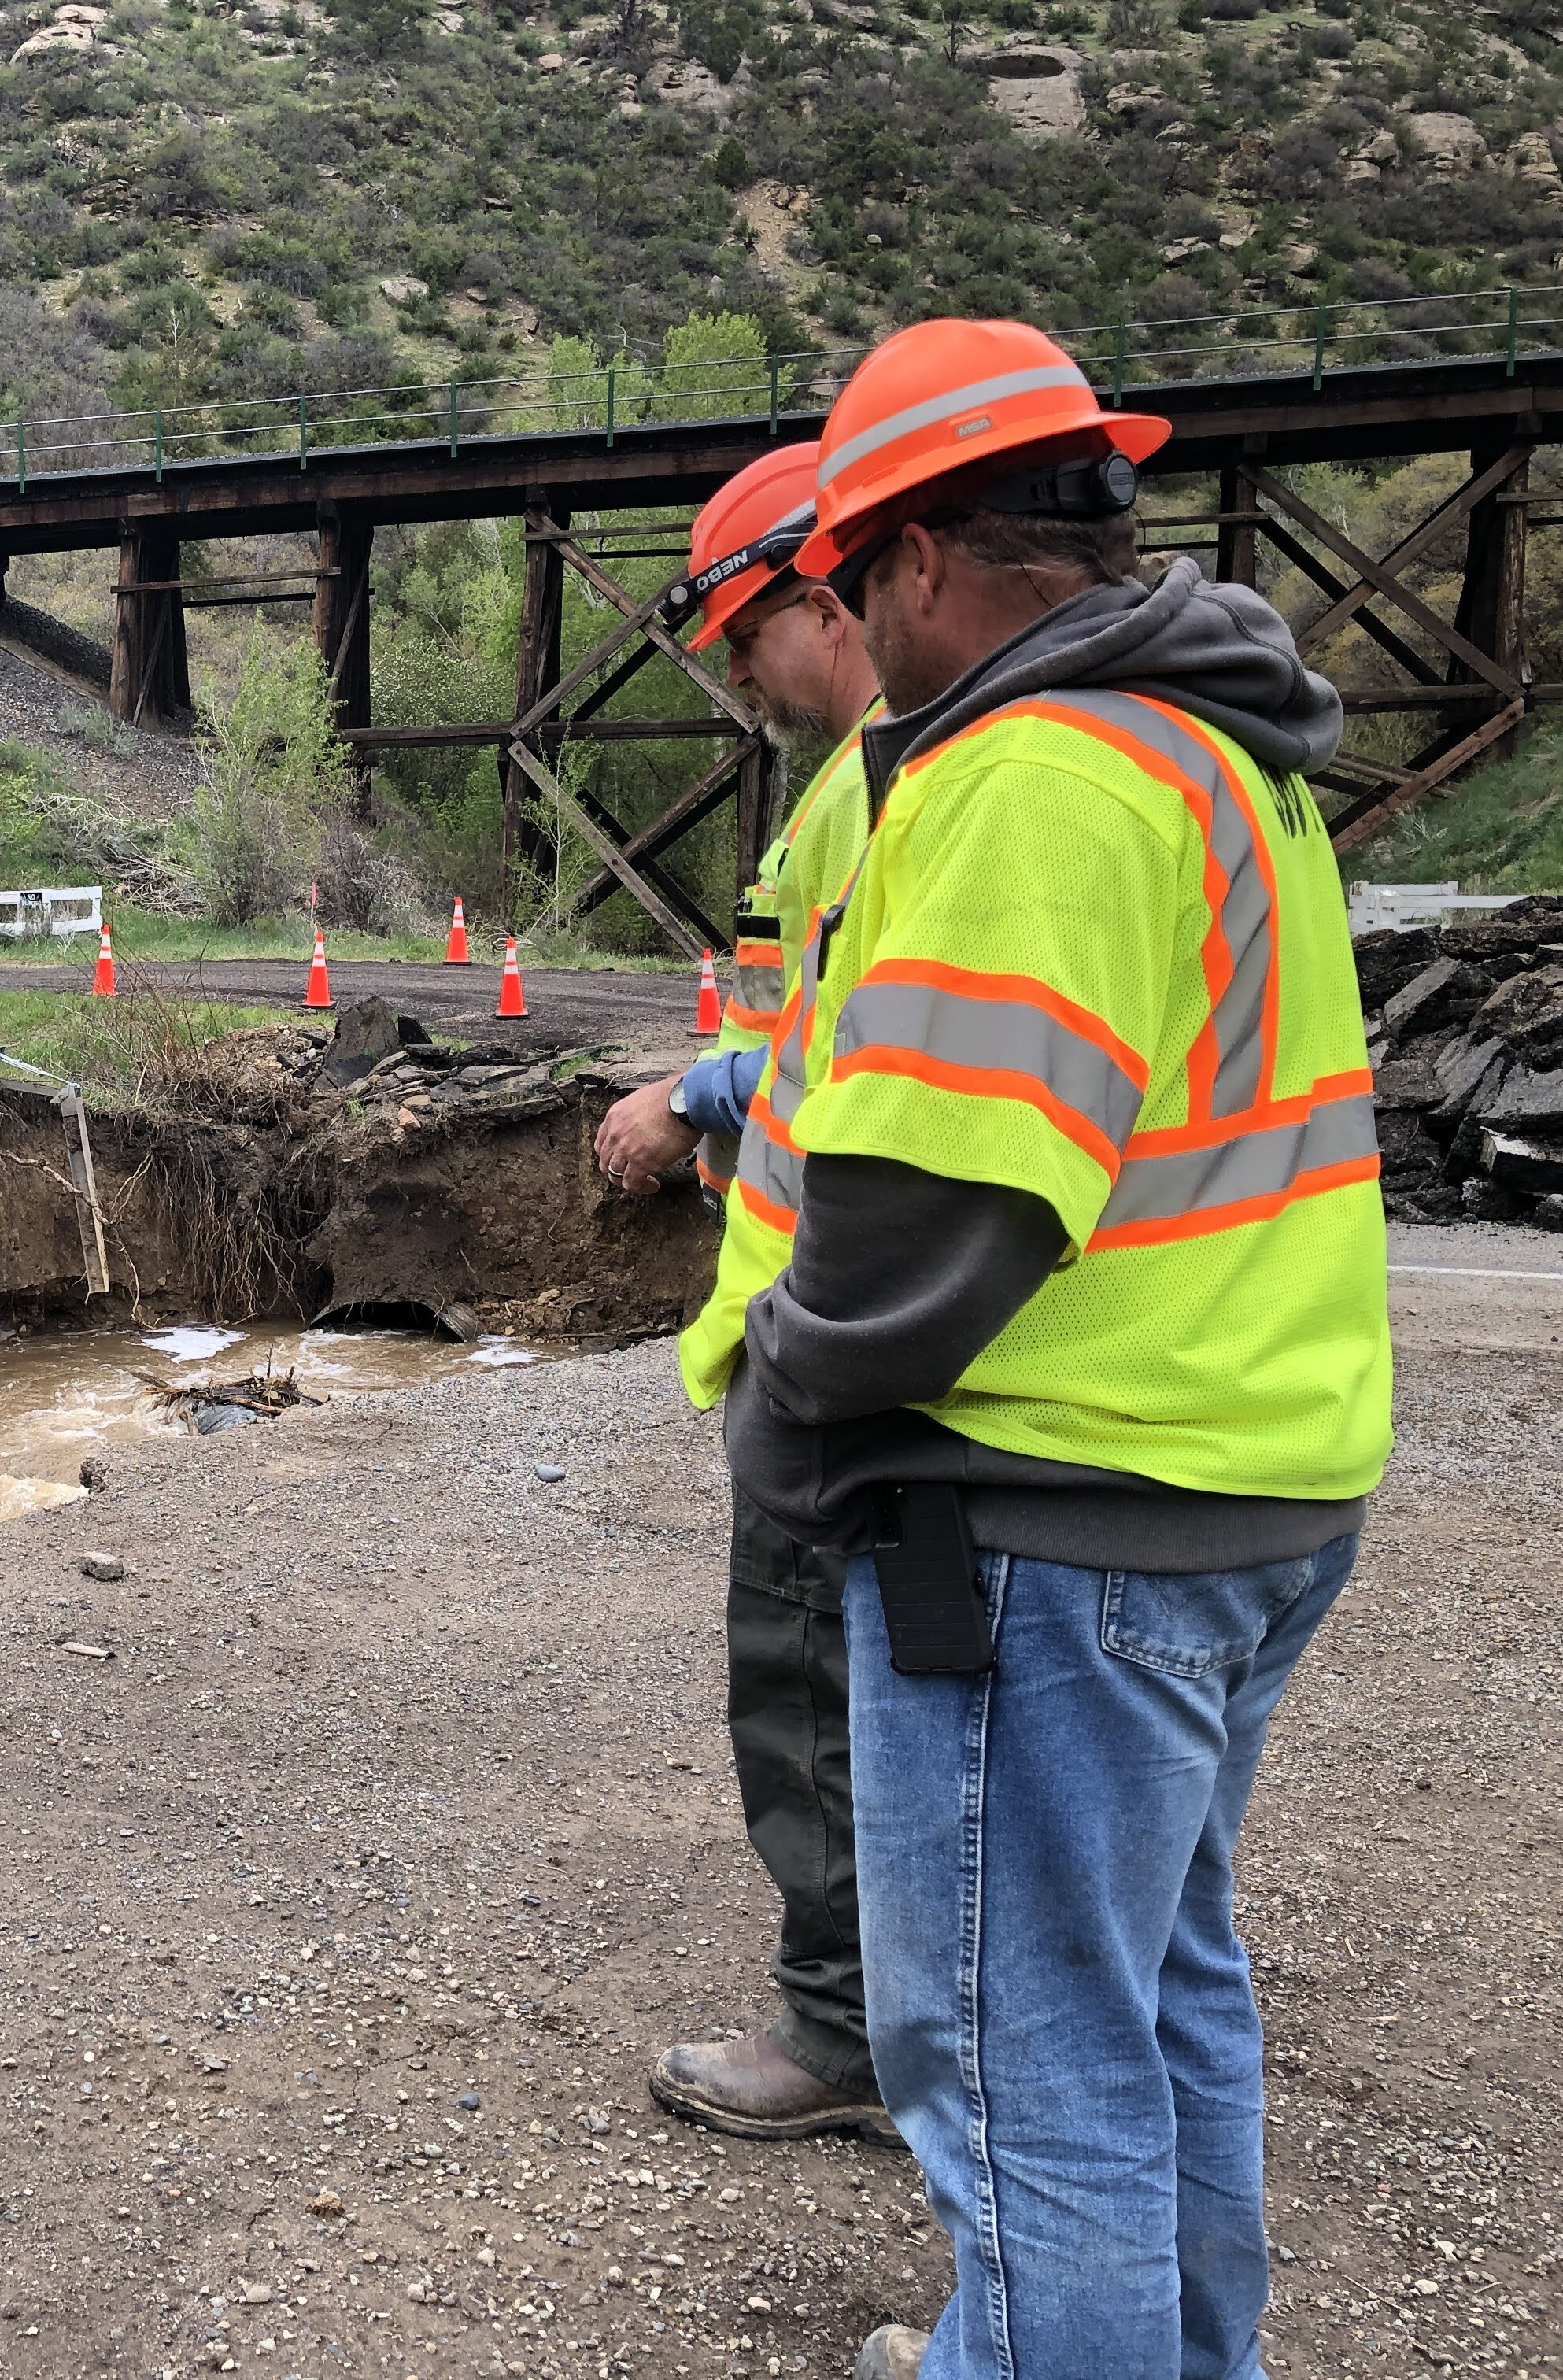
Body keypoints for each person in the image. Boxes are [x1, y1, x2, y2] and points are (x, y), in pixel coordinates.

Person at [678, 316, 1391, 2380]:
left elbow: (927, 1227)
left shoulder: (1033, 777)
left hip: (1067, 1524)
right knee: (1155, 2004)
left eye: (844, 580)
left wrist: (791, 1420)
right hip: (1250, 1469)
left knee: (1011, 2070)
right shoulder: (1206, 749)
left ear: (910, 564)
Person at [592, 443, 897, 2147]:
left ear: (833, 592)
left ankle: (848, 2035)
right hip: (833, 1313)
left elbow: (840, 1052)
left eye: (736, 635)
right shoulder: (913, 768)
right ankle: (905, 2022)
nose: (731, 677)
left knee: (807, 1695)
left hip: (831, 1332)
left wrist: (688, 1100)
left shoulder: (882, 781)